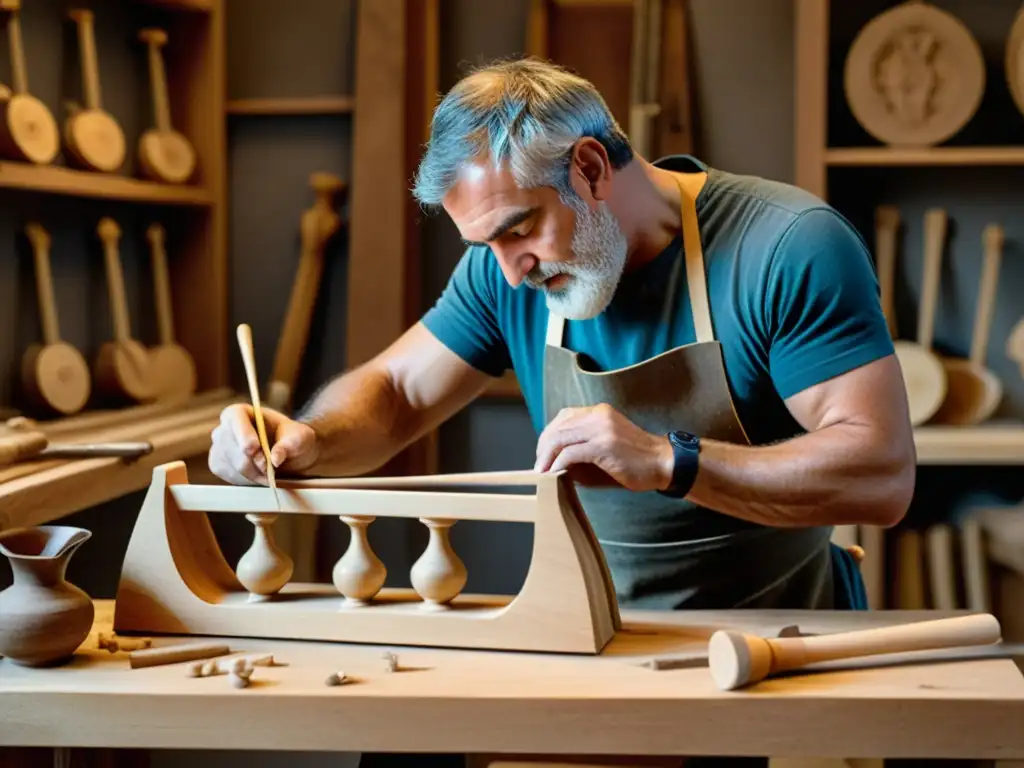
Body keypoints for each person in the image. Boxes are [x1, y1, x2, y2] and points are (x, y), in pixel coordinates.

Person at [209, 55, 915, 766]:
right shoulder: (503, 270)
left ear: (590, 168)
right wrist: (306, 437)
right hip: (598, 639)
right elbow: (396, 394)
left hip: (774, 648)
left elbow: (879, 475)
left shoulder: (785, 246)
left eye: (519, 229)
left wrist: (670, 460)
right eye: (487, 243)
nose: (511, 268)